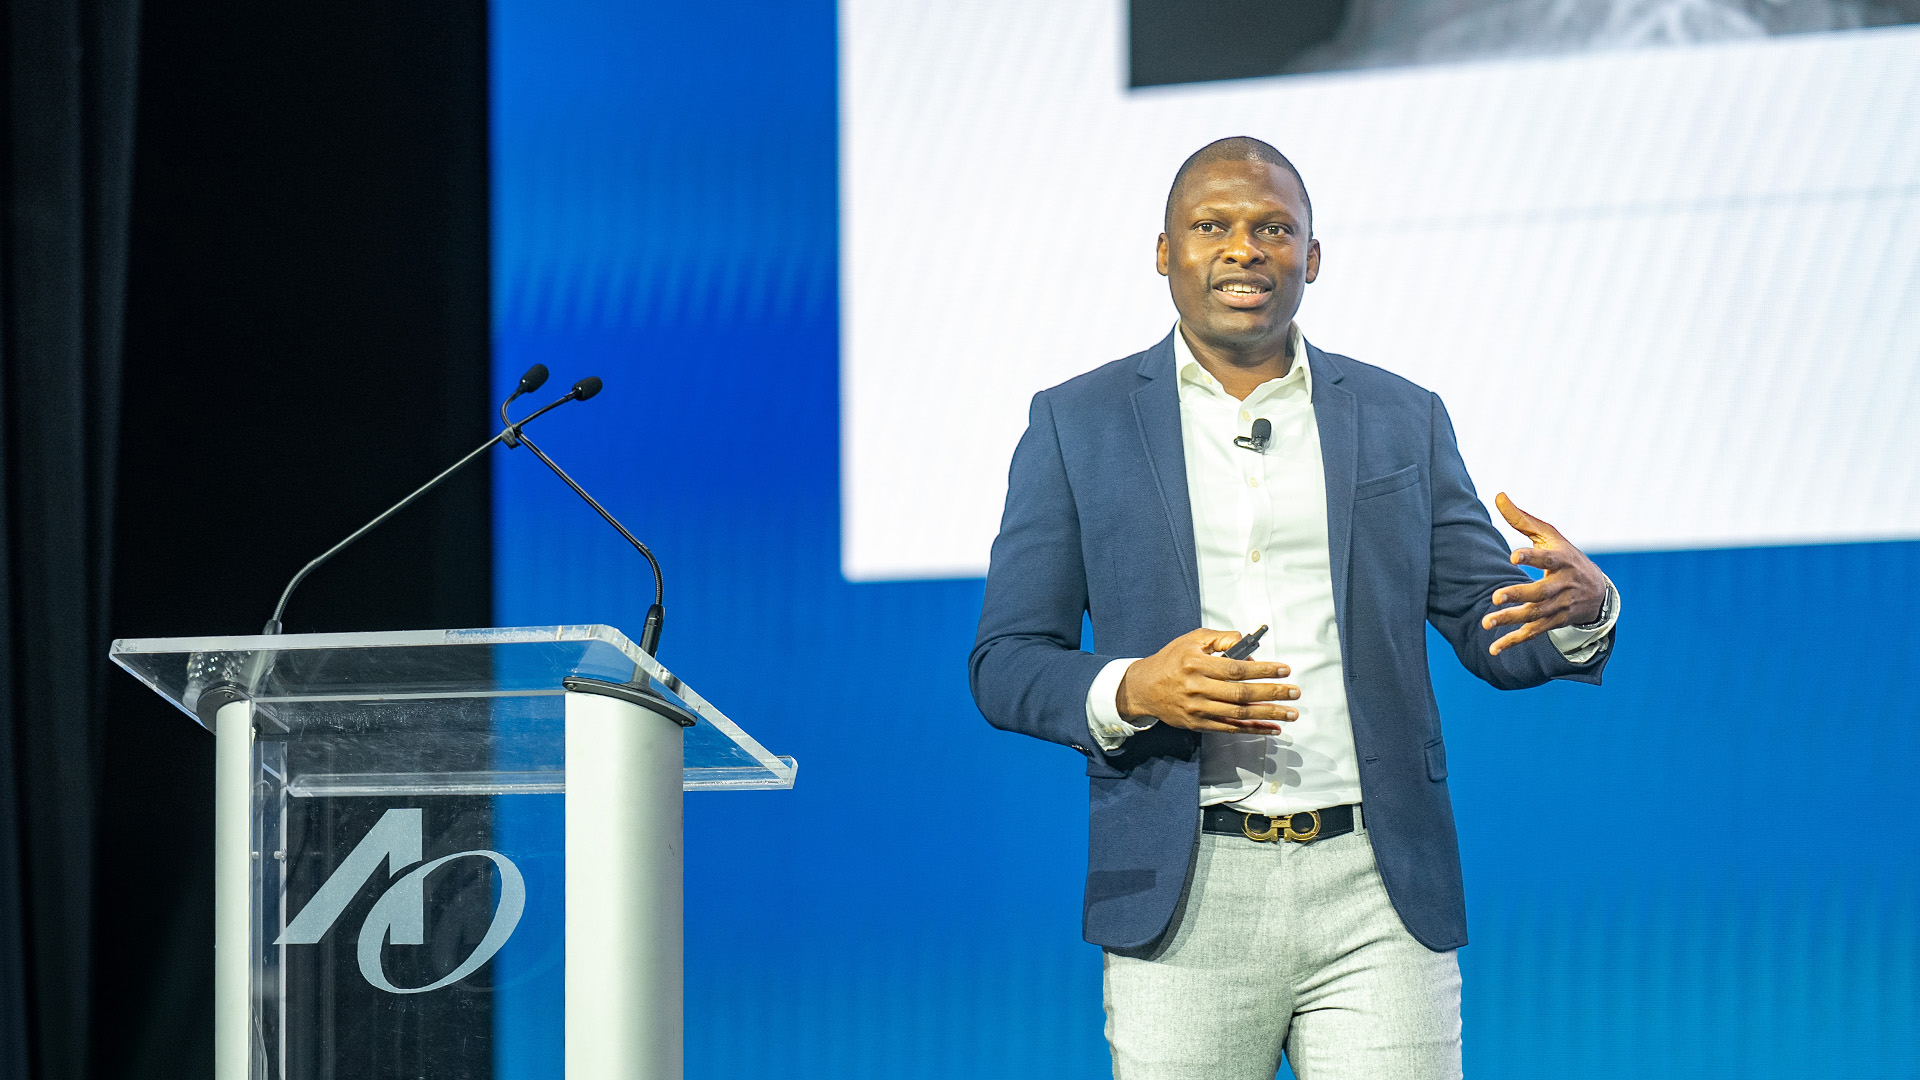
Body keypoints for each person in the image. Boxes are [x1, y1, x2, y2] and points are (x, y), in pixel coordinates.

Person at [968, 136, 1619, 1079]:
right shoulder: (1078, 423)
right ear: (1164, 252)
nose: (1244, 248)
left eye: (1273, 229)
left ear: (1311, 258)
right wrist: (1137, 688)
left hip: (1377, 886)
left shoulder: (1401, 416)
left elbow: (1494, 621)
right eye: (1212, 227)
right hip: (1183, 889)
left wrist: (1578, 610)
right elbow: (1006, 662)